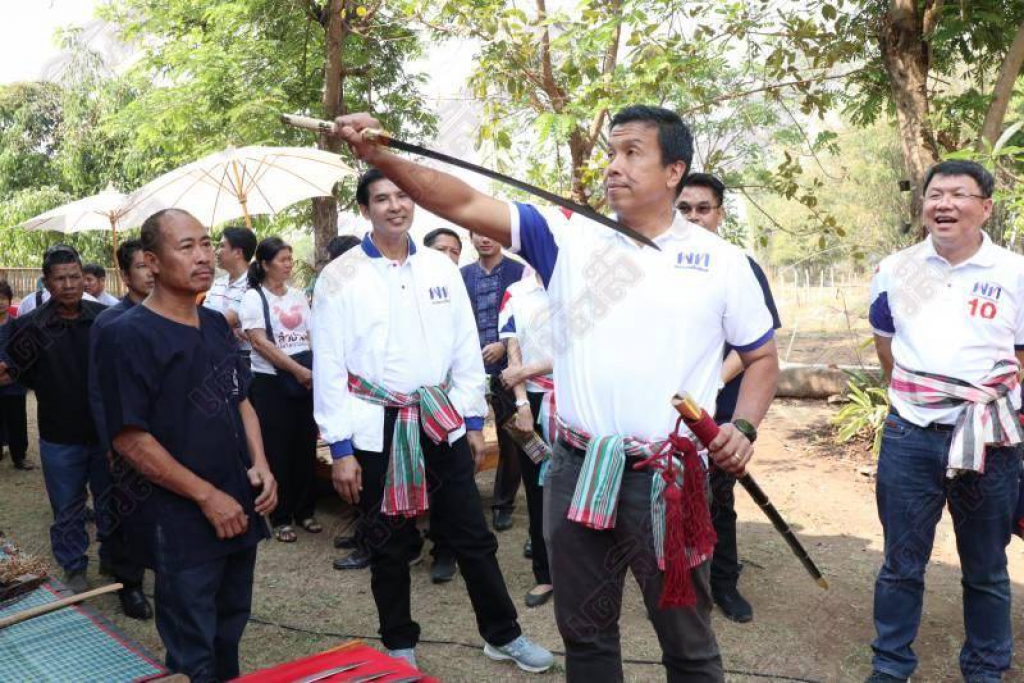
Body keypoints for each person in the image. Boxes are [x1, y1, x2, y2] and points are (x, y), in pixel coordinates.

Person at [330, 104, 778, 682]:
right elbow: (462, 202)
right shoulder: (570, 236)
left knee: (686, 639)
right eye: (611, 152)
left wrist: (742, 427)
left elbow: (761, 357)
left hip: (664, 478)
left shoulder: (722, 262)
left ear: (674, 171)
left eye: (631, 153)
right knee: (585, 636)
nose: (613, 167)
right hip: (575, 466)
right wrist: (381, 155)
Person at [312, 168, 554, 674]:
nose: (395, 206)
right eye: (382, 198)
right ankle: (399, 642)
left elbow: (466, 347)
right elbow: (330, 366)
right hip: (375, 426)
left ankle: (502, 634)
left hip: (439, 420)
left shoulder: (441, 269)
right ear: (365, 209)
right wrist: (340, 448)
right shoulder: (341, 276)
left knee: (471, 531)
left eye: (402, 195)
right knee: (388, 539)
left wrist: (470, 420)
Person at [95, 208, 277, 681]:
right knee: (193, 646)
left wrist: (261, 463)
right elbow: (131, 440)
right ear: (152, 262)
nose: (203, 257)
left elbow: (241, 401)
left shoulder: (216, 323)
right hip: (180, 518)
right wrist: (206, 496)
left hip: (240, 501)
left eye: (205, 243)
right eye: (186, 247)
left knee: (229, 629)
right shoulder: (125, 334)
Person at [865, 160, 1024, 683]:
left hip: (988, 442)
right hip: (910, 435)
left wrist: (986, 409)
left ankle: (984, 669)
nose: (944, 204)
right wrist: (921, 397)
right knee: (901, 563)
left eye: (959, 194)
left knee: (985, 569)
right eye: (935, 193)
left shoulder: (1014, 274)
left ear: (986, 207)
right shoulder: (897, 268)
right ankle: (891, 666)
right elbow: (885, 342)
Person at [678, 173, 782, 624]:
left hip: (718, 409)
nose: (694, 217)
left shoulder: (739, 264)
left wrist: (712, 382)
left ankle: (724, 583)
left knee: (718, 499)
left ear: (720, 214)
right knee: (667, 494)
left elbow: (756, 345)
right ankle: (675, 578)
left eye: (704, 208)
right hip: (667, 409)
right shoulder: (660, 262)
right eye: (684, 208)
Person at [0, 245, 113, 594]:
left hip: (106, 433)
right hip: (58, 435)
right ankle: (74, 565)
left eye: (74, 276)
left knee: (112, 502)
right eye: (60, 278)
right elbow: (17, 372)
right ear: (47, 282)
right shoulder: (30, 326)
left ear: (84, 277)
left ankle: (114, 558)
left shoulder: (105, 319)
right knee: (67, 506)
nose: (68, 284)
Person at [88, 239, 156, 620]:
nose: (150, 272)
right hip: (127, 437)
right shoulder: (109, 323)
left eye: (154, 263)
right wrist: (111, 441)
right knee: (127, 511)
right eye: (142, 266)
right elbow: (98, 389)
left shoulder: (182, 316)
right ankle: (130, 585)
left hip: (172, 438)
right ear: (125, 274)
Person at [240, 237, 320, 543]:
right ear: (264, 264)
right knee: (279, 447)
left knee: (305, 443)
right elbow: (259, 342)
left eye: (290, 258)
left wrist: (312, 370)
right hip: (272, 380)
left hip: (305, 374)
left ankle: (306, 510)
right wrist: (297, 370)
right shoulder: (253, 298)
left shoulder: (298, 295)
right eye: (282, 259)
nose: (289, 264)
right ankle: (281, 514)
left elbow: (310, 334)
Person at [497, 267, 554, 607]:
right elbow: (513, 345)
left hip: (578, 400)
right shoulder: (516, 292)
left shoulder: (582, 284)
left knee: (582, 487)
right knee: (537, 488)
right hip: (531, 400)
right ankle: (545, 575)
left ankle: (586, 572)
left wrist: (523, 371)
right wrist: (521, 402)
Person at [461, 232, 525, 534]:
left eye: (491, 233)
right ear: (472, 238)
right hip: (469, 369)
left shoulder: (519, 272)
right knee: (462, 432)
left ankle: (503, 503)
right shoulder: (463, 276)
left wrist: (503, 343)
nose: (485, 239)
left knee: (510, 435)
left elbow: (528, 318)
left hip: (508, 367)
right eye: (478, 234)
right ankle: (465, 496)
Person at [204, 225, 257, 356]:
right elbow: (203, 316)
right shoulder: (218, 283)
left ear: (238, 253)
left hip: (246, 358)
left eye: (222, 246)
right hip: (218, 353)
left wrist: (223, 327)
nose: (217, 251)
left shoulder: (253, 283)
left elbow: (226, 319)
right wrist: (230, 331)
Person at [0, 280, 31, 471]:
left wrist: (8, 370)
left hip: (13, 382)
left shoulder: (18, 325)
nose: (0, 302)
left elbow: (25, 353)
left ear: (10, 301)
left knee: (17, 420)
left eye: (3, 298)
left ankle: (19, 456)